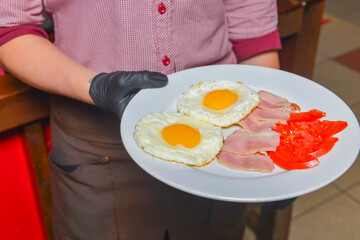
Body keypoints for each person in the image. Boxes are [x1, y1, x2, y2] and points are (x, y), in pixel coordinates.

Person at [0, 1, 282, 239]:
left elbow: (251, 21)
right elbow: (11, 26)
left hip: (224, 137)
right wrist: (96, 86)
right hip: (99, 144)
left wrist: (272, 136)